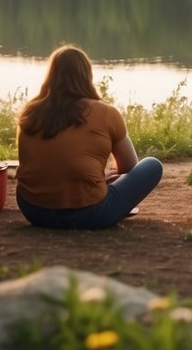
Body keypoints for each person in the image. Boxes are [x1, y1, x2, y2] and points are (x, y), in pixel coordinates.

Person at [15, 45, 163, 229]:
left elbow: (32, 163)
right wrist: (102, 178)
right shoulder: (107, 113)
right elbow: (130, 167)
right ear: (87, 75)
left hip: (34, 211)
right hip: (89, 214)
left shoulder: (30, 113)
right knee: (152, 165)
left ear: (51, 75)